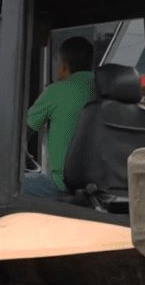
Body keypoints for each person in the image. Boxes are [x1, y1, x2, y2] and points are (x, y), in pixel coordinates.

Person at [23, 36, 96, 199]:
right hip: (97, 185)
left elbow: (21, 134)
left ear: (63, 64)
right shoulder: (104, 89)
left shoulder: (55, 91)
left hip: (62, 184)